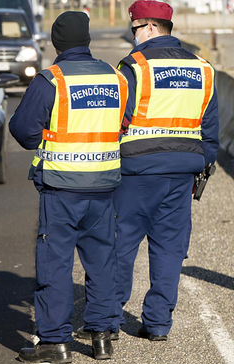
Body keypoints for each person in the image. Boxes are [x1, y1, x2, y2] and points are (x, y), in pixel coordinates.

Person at [9, 11, 128, 363]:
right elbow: (124, 119)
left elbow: (23, 131)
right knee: (102, 261)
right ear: (88, 40)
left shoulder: (52, 81)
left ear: (56, 43)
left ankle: (55, 341)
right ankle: (102, 335)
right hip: (105, 186)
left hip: (62, 189)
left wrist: (49, 134)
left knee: (55, 265)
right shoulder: (116, 78)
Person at [105, 0, 219, 342]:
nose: (133, 36)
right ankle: (157, 324)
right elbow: (210, 129)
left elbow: (116, 120)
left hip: (136, 173)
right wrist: (199, 164)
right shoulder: (204, 69)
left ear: (150, 28)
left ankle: (109, 319)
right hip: (183, 174)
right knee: (170, 249)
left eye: (135, 29)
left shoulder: (133, 67)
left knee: (120, 245)